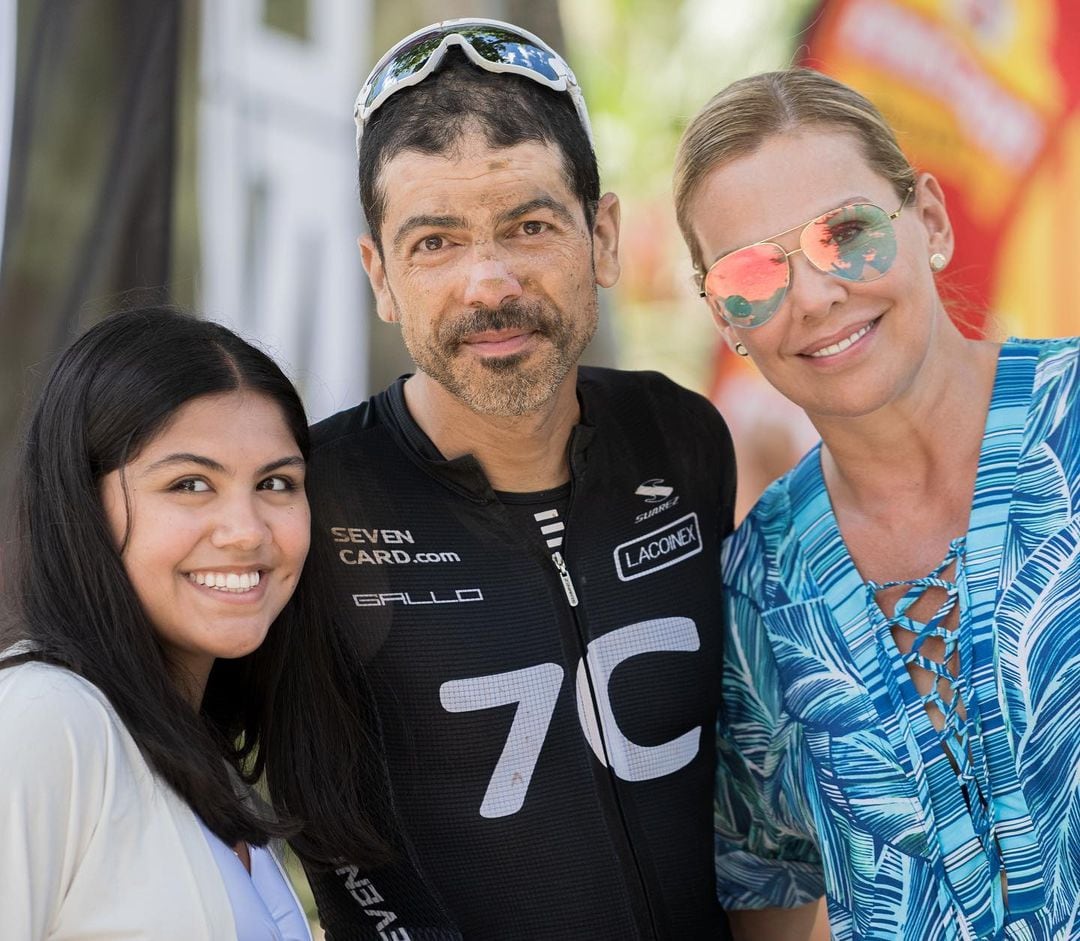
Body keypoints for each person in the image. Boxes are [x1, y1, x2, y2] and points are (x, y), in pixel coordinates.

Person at [302, 18, 737, 940]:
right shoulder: (312, 502)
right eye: (435, 243)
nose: (487, 283)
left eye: (530, 225)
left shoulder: (682, 440)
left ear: (603, 236)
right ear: (379, 275)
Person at [674, 67, 1080, 940]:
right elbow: (766, 889)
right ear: (725, 320)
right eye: (753, 274)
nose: (816, 296)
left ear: (927, 219)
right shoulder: (759, 588)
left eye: (846, 233)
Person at [0, 307, 385, 939]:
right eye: (189, 484)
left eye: (277, 483)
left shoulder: (199, 757)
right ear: (82, 504)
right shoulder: (47, 719)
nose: (247, 532)